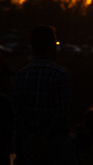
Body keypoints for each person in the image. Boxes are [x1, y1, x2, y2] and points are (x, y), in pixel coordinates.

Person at [12, 25, 76, 165]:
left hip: (28, 148)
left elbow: (17, 113)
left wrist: (31, 139)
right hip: (55, 148)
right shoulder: (61, 75)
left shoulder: (20, 76)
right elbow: (61, 113)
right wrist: (44, 138)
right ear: (51, 46)